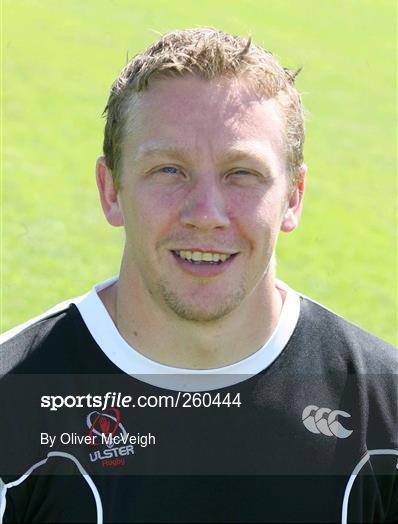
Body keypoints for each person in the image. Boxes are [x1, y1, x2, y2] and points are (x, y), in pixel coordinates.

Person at [0, 27, 396, 524]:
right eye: (169, 170)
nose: (206, 213)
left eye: (242, 173)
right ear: (111, 190)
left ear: (293, 197)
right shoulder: (12, 398)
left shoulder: (385, 406)